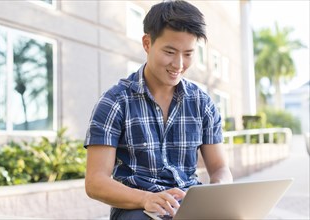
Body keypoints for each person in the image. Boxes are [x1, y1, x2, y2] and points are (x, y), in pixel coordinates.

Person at [84, 0, 233, 219]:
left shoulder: (202, 103)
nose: (179, 64)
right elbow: (95, 182)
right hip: (136, 208)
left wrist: (217, 191)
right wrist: (146, 199)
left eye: (188, 54)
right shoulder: (115, 101)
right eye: (170, 51)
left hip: (188, 204)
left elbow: (220, 168)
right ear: (147, 43)